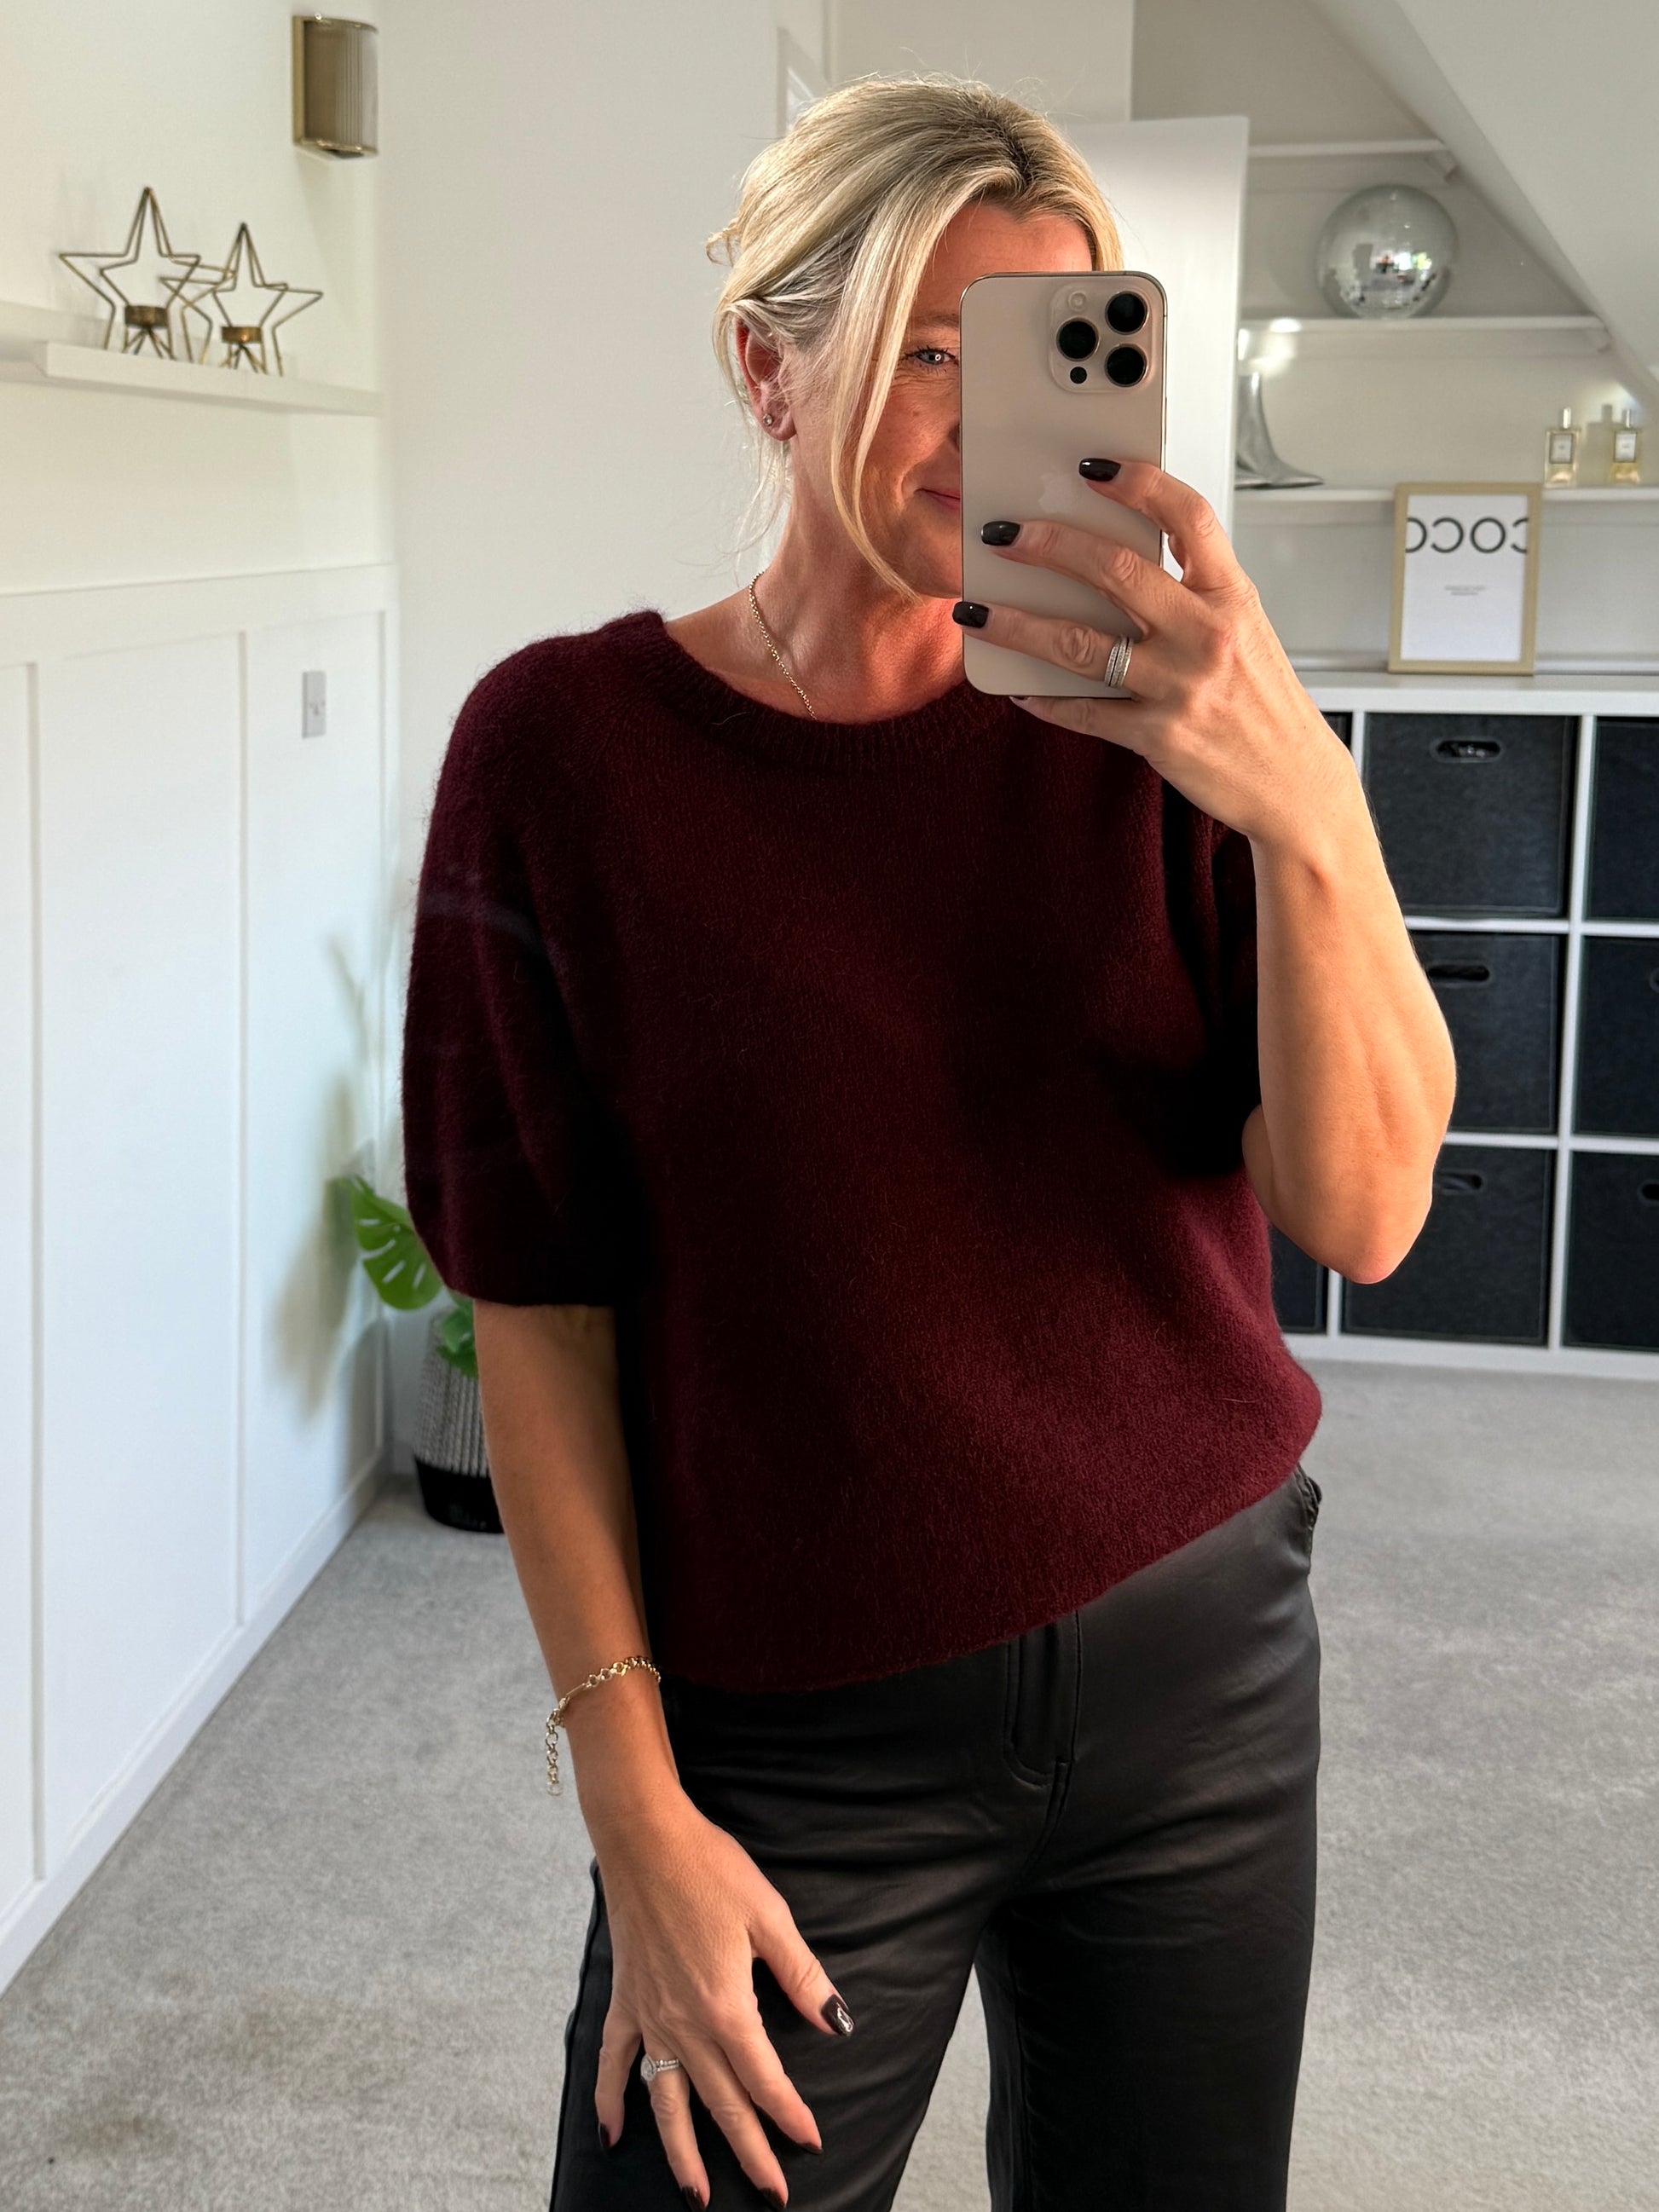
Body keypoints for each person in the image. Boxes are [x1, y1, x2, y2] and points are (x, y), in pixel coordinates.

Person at [400, 75, 1455, 2212]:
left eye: (1054, 357)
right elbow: (537, 1311)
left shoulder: (1161, 720)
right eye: (930, 356)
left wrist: (1306, 797)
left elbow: (1360, 1209)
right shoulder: (562, 755)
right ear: (766, 369)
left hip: (1201, 1675)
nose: (991, 430)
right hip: (794, 1732)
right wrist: (633, 1805)